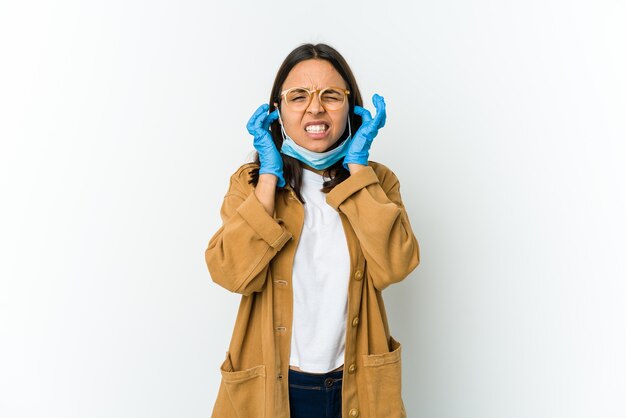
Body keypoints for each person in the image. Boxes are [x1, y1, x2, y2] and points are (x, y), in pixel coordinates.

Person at [204, 43, 420, 418]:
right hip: (275, 386)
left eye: (331, 95)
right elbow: (229, 273)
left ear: (351, 108)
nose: (315, 107)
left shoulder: (377, 182)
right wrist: (269, 178)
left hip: (356, 386)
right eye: (298, 96)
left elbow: (396, 264)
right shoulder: (249, 184)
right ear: (277, 110)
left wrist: (357, 170)